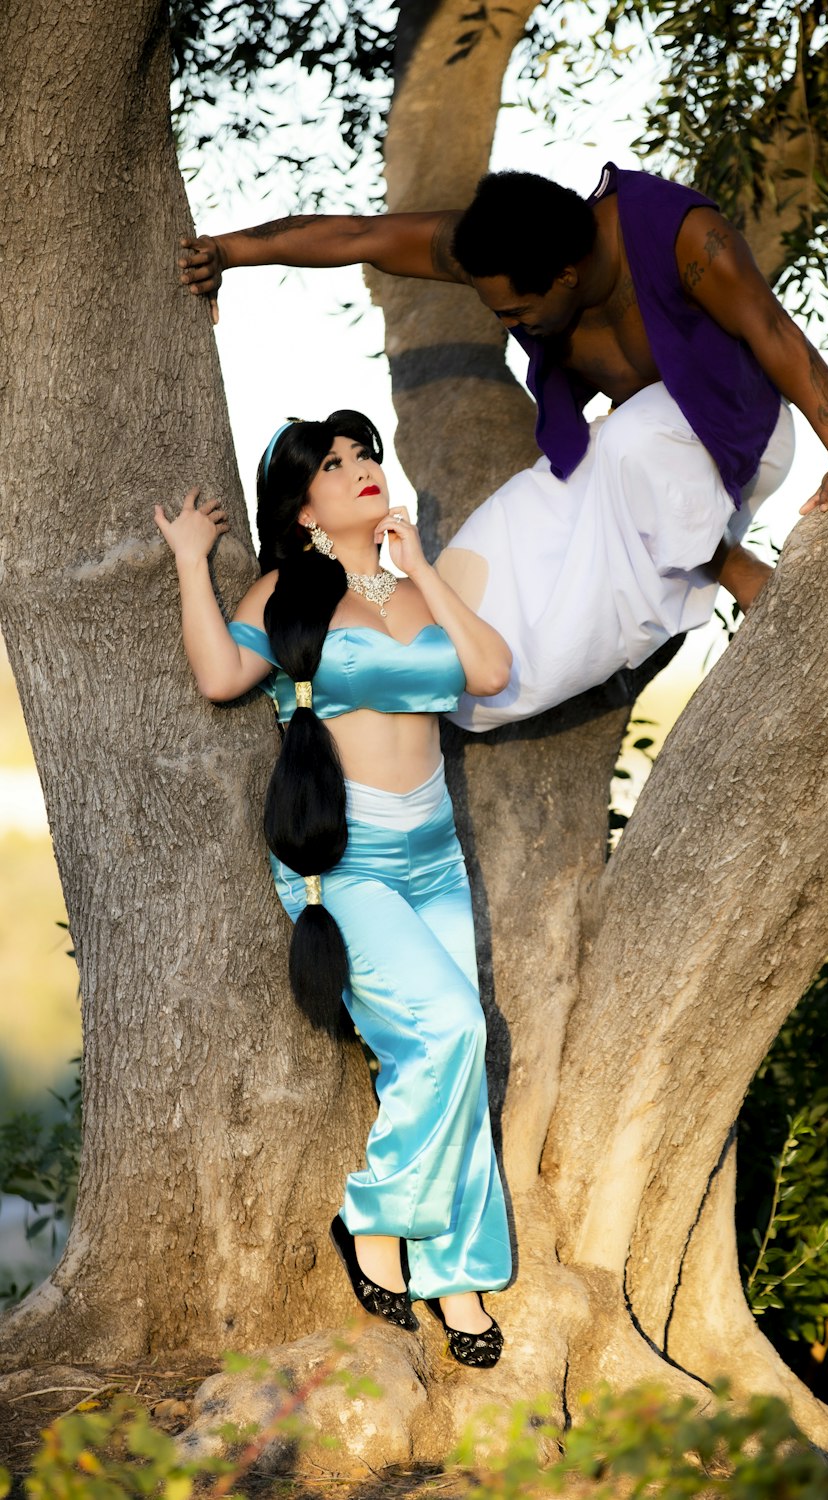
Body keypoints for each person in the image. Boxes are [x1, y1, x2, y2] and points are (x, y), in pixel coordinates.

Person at [178, 166, 828, 729]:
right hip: (629, 456)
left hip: (733, 437)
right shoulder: (507, 244)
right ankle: (477, 690)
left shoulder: (681, 236)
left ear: (568, 275)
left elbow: (772, 329)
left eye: (514, 313)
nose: (507, 323)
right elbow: (363, 235)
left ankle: (735, 571)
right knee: (501, 534)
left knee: (630, 440)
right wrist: (232, 251)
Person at [154, 409, 513, 1366]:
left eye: (366, 455)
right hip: (342, 860)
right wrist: (194, 558)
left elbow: (490, 670)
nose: (360, 470)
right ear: (304, 503)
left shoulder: (416, 586)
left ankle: (462, 1278)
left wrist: (421, 560)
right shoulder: (290, 591)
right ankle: (374, 1218)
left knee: (444, 1058)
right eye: (335, 464)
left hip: (436, 857)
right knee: (454, 1029)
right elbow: (223, 675)